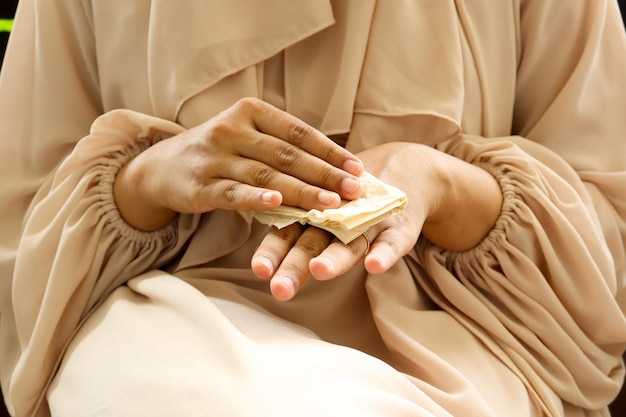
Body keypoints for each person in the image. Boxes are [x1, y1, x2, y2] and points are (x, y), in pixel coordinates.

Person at [1, 0, 625, 416]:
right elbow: (17, 236)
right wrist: (148, 179)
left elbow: (609, 232)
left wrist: (446, 187)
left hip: (466, 339)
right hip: (169, 317)